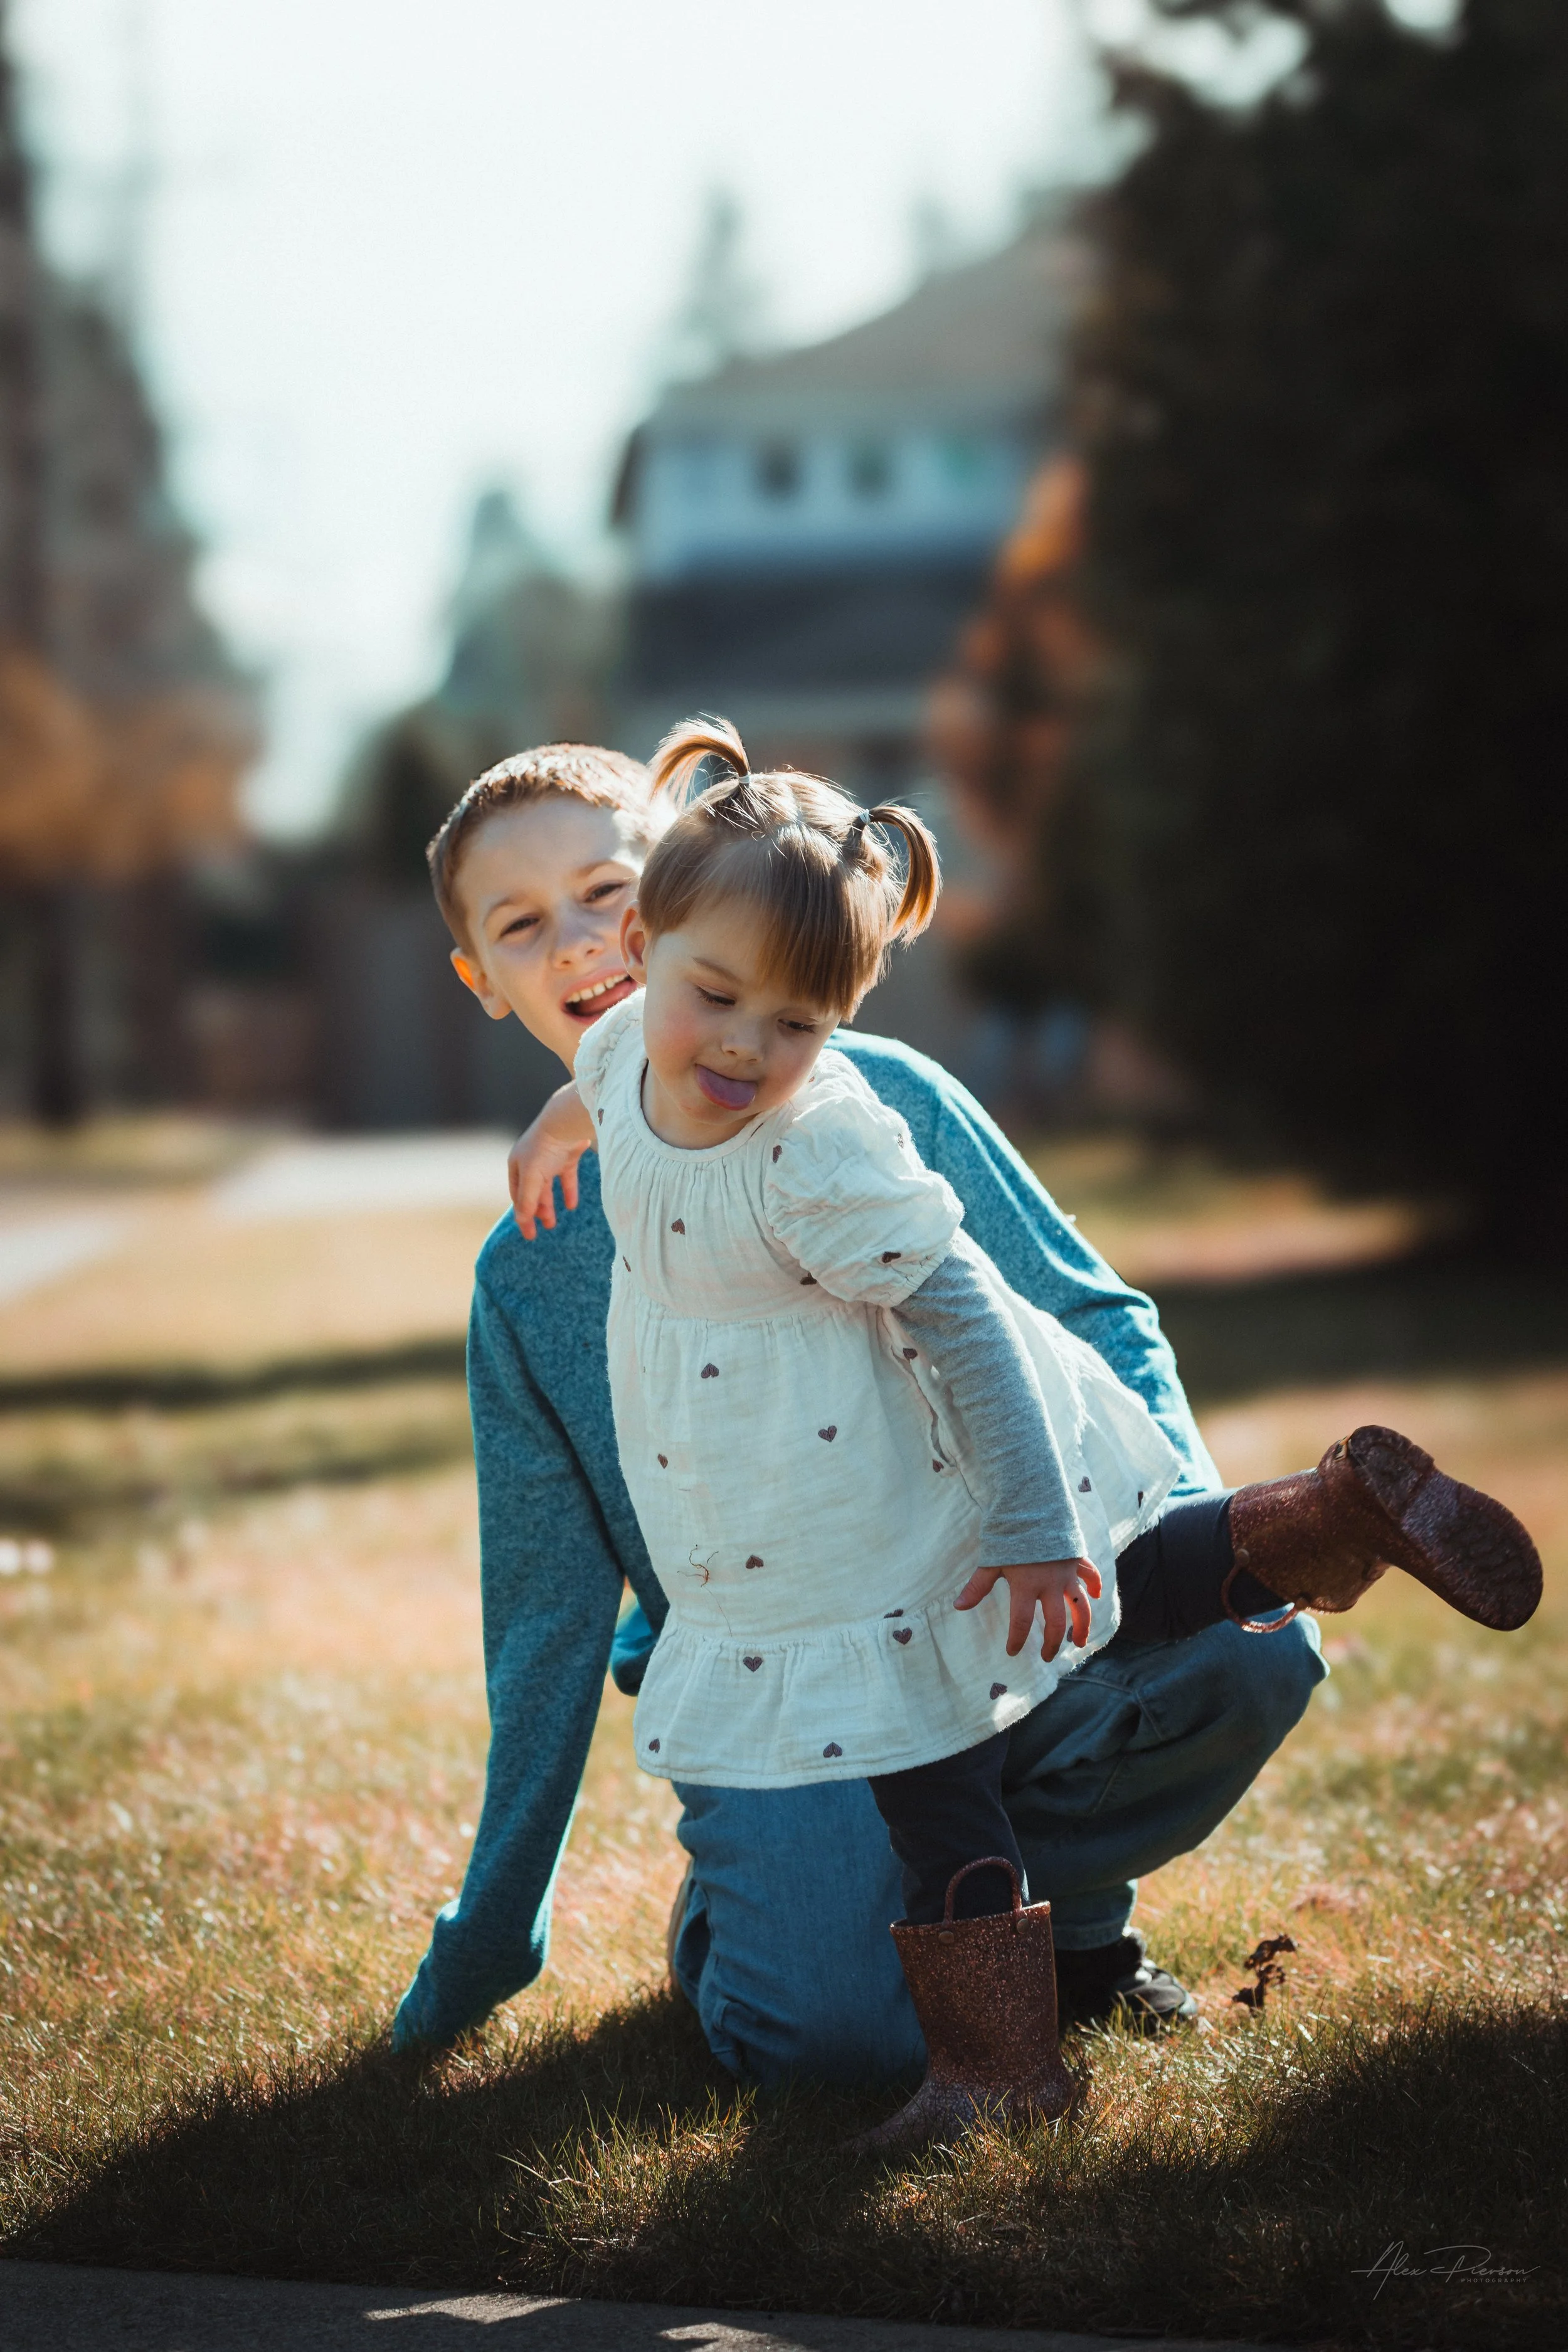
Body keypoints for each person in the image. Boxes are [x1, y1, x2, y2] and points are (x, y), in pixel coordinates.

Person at [388, 733, 1529, 2083]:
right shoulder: (527, 1273)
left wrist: (1128, 1547)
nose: (588, 941)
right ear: (478, 978)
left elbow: (1090, 1317)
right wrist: (488, 1937)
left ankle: (1068, 1926)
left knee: (1243, 1647)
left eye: (609, 892)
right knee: (823, 2041)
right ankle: (797, 1917)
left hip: (996, 1597)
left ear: (678, 889)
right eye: (524, 924)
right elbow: (541, 1624)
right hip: (788, 1686)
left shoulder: (871, 1105)